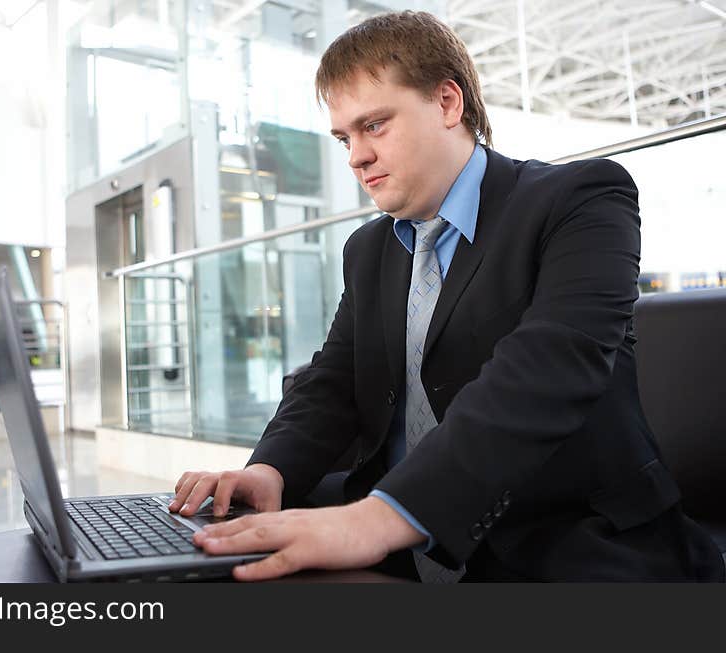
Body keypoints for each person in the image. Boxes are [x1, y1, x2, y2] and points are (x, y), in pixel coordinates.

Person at [168, 10, 725, 582]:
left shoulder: (579, 200)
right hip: (394, 534)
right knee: (194, 570)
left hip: (560, 539)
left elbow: (549, 367)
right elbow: (334, 378)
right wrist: (271, 469)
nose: (355, 156)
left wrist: (378, 519)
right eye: (344, 138)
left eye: (374, 125)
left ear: (447, 103)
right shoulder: (369, 248)